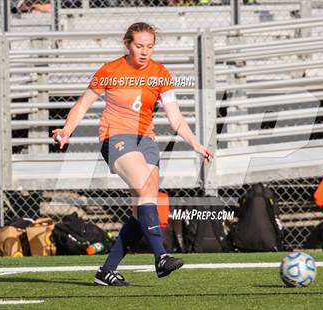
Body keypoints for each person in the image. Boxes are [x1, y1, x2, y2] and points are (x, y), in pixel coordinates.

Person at [52, 22, 213, 286]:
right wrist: (67, 130)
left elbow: (175, 118)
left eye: (149, 46)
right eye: (139, 45)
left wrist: (195, 143)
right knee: (144, 189)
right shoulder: (110, 70)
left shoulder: (160, 73)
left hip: (146, 140)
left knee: (143, 208)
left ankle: (107, 271)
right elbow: (82, 104)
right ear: (128, 44)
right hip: (115, 137)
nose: (144, 51)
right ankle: (161, 257)